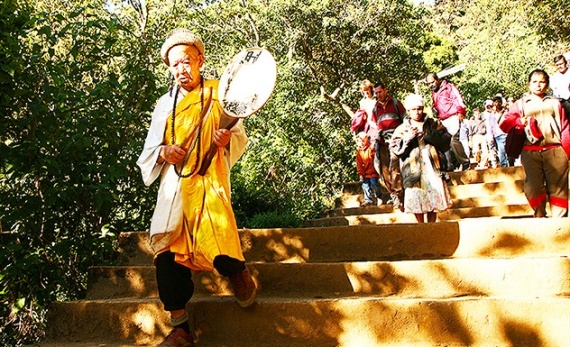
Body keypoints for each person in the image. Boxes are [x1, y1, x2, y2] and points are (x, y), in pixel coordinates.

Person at [136, 28, 256, 347]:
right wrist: (163, 152)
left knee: (216, 236)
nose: (181, 70)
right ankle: (180, 328)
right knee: (165, 253)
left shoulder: (221, 92)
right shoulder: (165, 104)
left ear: (200, 60)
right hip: (175, 186)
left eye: (186, 61)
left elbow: (238, 133)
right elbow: (148, 152)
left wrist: (226, 139)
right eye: (175, 65)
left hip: (208, 178)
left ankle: (238, 275)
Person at [500, 69, 570, 218]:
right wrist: (518, 121)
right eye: (535, 82)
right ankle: (539, 216)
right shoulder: (521, 104)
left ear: (547, 84)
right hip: (530, 152)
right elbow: (504, 124)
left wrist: (568, 151)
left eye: (542, 82)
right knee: (534, 187)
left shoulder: (555, 103)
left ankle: (559, 222)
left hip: (555, 151)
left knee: (559, 188)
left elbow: (564, 128)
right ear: (529, 84)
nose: (538, 85)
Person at [390, 94, 453, 223]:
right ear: (408, 111)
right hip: (413, 169)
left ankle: (431, 226)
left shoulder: (433, 123)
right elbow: (395, 149)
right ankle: (421, 227)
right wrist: (407, 138)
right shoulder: (402, 129)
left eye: (419, 108)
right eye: (413, 109)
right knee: (416, 196)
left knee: (433, 198)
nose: (417, 112)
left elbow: (446, 141)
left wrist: (427, 135)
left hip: (432, 166)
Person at [425, 73, 470, 171]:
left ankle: (465, 162)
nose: (431, 85)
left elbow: (458, 100)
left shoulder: (449, 87)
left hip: (454, 117)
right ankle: (449, 166)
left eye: (432, 82)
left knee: (454, 139)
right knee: (441, 141)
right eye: (428, 84)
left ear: (438, 80)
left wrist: (461, 113)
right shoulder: (434, 93)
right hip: (443, 120)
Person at [372, 81, 405, 208]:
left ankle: (399, 194)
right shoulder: (375, 108)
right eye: (376, 93)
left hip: (396, 141)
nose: (378, 95)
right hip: (382, 143)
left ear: (386, 90)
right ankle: (393, 194)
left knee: (395, 167)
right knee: (383, 169)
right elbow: (375, 125)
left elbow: (405, 119)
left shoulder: (396, 103)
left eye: (380, 92)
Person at [356, 131, 383, 206]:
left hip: (373, 172)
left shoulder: (370, 149)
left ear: (366, 140)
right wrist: (360, 174)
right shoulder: (359, 153)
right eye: (360, 141)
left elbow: (375, 159)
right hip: (365, 173)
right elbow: (359, 164)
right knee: (365, 186)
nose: (362, 143)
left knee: (374, 183)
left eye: (363, 141)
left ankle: (379, 196)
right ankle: (368, 200)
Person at [487, 96, 510, 167]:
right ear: (493, 103)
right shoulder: (491, 115)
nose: (497, 104)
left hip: (507, 134)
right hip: (498, 135)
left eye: (499, 102)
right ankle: (504, 168)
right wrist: (490, 137)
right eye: (496, 102)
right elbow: (490, 126)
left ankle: (511, 167)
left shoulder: (506, 112)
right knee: (501, 152)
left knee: (509, 153)